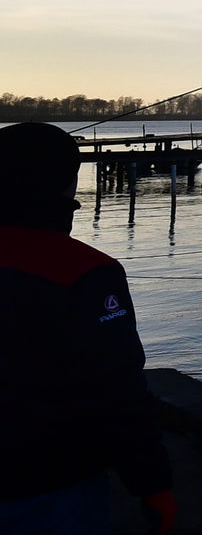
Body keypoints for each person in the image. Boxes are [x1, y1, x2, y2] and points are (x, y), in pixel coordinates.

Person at [0, 122, 176, 534]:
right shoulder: (86, 272)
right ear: (66, 185)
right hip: (49, 481)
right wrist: (153, 484)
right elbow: (117, 390)